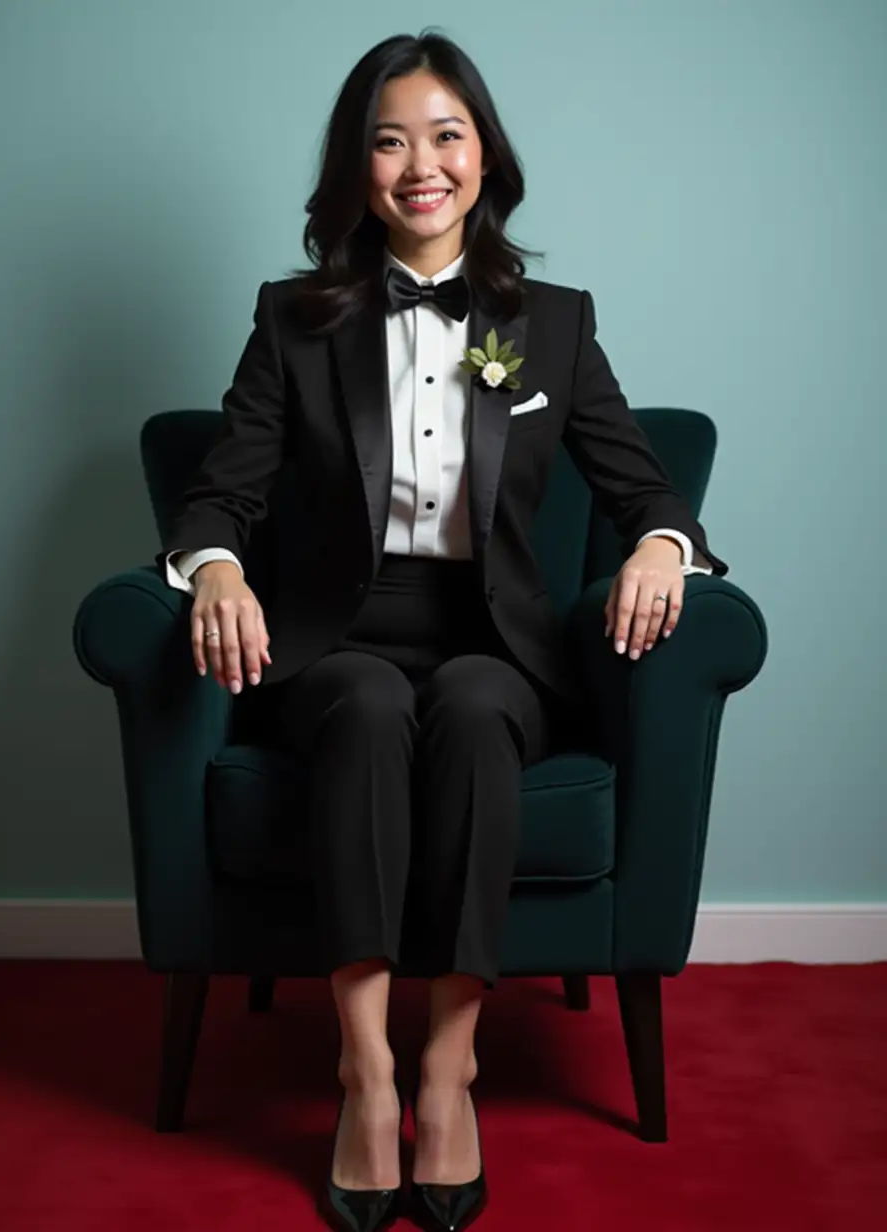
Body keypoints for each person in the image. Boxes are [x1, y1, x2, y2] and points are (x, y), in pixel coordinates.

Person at [158, 29, 728, 1232]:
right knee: (366, 710)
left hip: (493, 640)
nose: (421, 163)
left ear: (484, 155)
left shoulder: (551, 324)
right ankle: (365, 1069)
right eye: (389, 138)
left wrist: (663, 546)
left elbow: (645, 488)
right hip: (336, 636)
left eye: (446, 134)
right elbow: (222, 489)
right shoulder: (296, 320)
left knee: (471, 711)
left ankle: (448, 1066)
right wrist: (213, 568)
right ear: (357, 168)